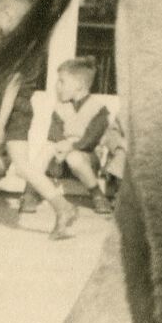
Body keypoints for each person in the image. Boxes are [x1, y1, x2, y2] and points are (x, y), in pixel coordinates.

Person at [0, 0, 78, 239]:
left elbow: (12, 87)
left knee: (20, 165)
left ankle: (63, 207)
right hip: (14, 109)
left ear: (8, 15)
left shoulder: (9, 48)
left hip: (11, 110)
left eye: (0, 14)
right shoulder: (28, 46)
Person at [36, 57, 115, 215]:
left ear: (78, 86)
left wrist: (70, 147)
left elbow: (90, 139)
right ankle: (30, 192)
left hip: (85, 161)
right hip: (60, 161)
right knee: (46, 149)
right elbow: (54, 132)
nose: (57, 86)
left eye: (62, 82)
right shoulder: (61, 107)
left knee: (74, 157)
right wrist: (62, 148)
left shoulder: (98, 109)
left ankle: (97, 195)